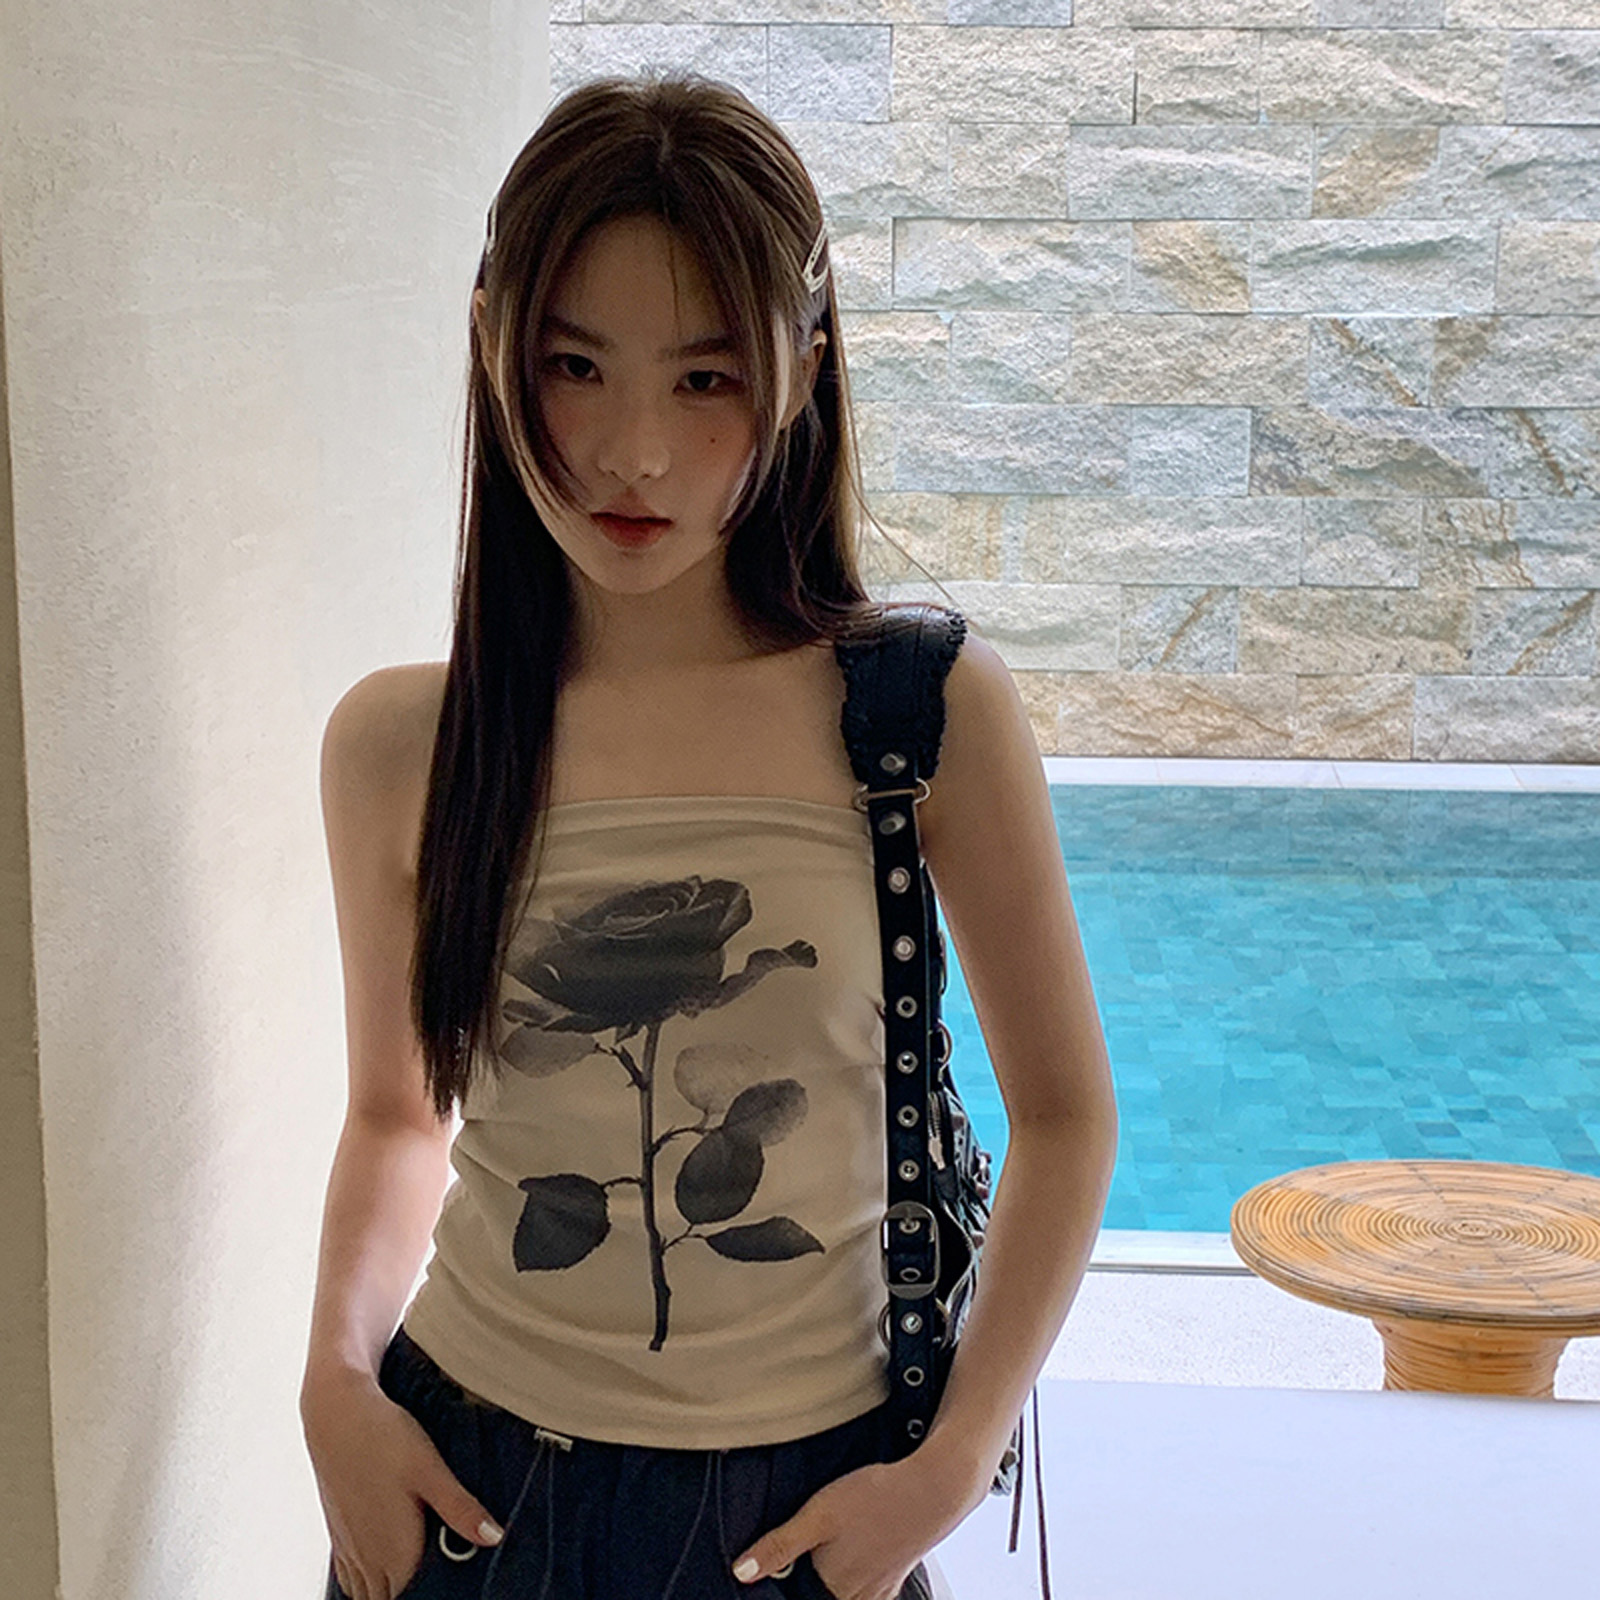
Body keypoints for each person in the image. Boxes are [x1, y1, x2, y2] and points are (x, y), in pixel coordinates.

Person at [299, 71, 1117, 1600]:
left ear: (804, 370)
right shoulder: (402, 745)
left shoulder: (921, 713)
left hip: (803, 1512)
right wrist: (335, 1387)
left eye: (704, 378)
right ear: (491, 343)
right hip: (464, 1483)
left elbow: (1066, 1119)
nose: (634, 453)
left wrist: (951, 1467)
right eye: (574, 366)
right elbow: (400, 1120)